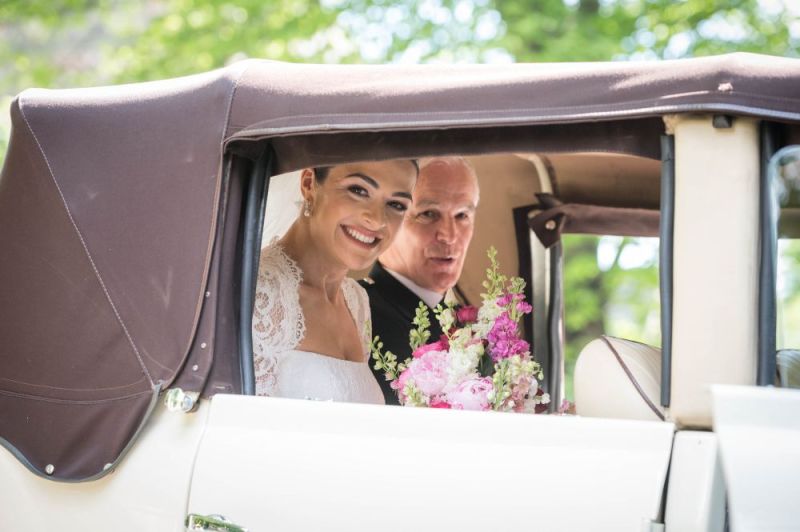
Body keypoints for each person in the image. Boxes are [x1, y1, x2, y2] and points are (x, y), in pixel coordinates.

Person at [252, 159, 418, 404]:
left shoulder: (356, 302)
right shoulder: (258, 294)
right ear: (309, 184)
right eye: (358, 190)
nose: (377, 219)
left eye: (396, 204)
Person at [360, 157, 480, 404]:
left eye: (462, 215)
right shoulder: (357, 316)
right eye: (428, 214)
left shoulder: (472, 326)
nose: (449, 235)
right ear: (387, 220)